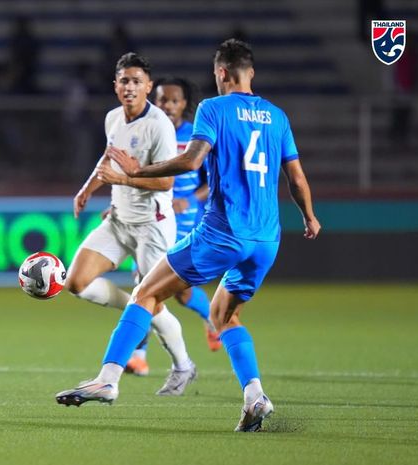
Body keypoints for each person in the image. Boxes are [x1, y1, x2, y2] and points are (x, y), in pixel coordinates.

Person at [56, 39, 321, 433]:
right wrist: (310, 217)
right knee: (225, 315)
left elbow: (191, 160)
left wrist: (133, 174)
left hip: (224, 231)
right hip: (266, 239)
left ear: (221, 74)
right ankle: (254, 396)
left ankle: (108, 379)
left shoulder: (213, 108)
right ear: (252, 73)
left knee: (146, 291)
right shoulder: (277, 116)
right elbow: (296, 177)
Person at [64, 52, 198, 397]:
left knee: (154, 301)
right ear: (115, 85)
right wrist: (87, 189)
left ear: (148, 87)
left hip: (152, 226)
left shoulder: (159, 126)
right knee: (75, 281)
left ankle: (183, 365)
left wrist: (122, 181)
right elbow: (108, 158)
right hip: (119, 220)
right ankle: (137, 305)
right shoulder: (113, 118)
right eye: (124, 80)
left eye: (137, 81)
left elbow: (166, 183)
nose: (130, 87)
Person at [125, 77, 219, 377]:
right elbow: (135, 175)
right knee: (145, 282)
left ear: (184, 105)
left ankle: (212, 319)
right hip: (150, 214)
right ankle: (139, 355)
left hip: (184, 218)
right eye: (163, 99)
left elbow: (212, 181)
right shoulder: (147, 131)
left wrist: (189, 199)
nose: (167, 105)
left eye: (174, 100)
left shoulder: (196, 136)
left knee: (175, 289)